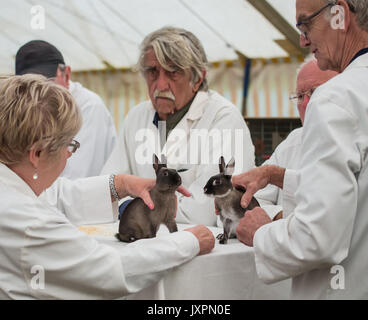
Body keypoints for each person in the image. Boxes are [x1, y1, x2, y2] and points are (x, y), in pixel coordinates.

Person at [0, 74, 215, 299]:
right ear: (37, 154)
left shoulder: (10, 187)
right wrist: (189, 241)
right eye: (69, 145)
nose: (69, 154)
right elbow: (110, 270)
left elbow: (54, 196)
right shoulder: (29, 223)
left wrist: (120, 184)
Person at [234, 0, 368, 299]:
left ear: (340, 14)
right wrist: (279, 175)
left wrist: (262, 233)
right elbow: (365, 191)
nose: (302, 39)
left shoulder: (336, 98)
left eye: (306, 23)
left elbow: (317, 239)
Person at [101, 26, 255, 226]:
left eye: (173, 72)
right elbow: (106, 188)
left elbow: (209, 208)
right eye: (152, 72)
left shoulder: (223, 119)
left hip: (201, 251)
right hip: (138, 245)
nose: (161, 85)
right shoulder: (137, 117)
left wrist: (129, 206)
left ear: (197, 78)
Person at [15, 40, 117, 179]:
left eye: (47, 83)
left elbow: (77, 179)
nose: (39, 93)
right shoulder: (25, 109)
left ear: (66, 74)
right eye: (31, 86)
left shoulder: (89, 107)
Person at [254, 58, 338, 221]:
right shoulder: (293, 141)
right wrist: (279, 216)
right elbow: (253, 199)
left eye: (315, 92)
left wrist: (280, 218)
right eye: (299, 96)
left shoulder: (359, 141)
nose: (306, 103)